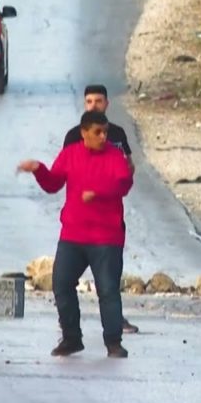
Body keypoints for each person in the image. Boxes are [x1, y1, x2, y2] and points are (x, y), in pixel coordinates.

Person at [19, 111, 134, 359]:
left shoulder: (115, 156)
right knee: (61, 284)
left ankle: (113, 342)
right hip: (73, 235)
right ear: (84, 133)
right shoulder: (71, 154)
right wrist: (38, 169)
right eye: (97, 132)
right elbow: (53, 184)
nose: (103, 137)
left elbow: (123, 184)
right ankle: (72, 338)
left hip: (106, 237)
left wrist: (99, 192)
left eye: (105, 132)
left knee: (108, 290)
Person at [63, 84, 139, 333]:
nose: (93, 105)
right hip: (80, 222)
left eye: (98, 101)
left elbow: (128, 167)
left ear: (107, 104)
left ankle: (115, 321)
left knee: (109, 277)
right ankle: (69, 323)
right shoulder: (74, 136)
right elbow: (65, 170)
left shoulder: (116, 135)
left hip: (110, 220)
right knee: (65, 278)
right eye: (89, 102)